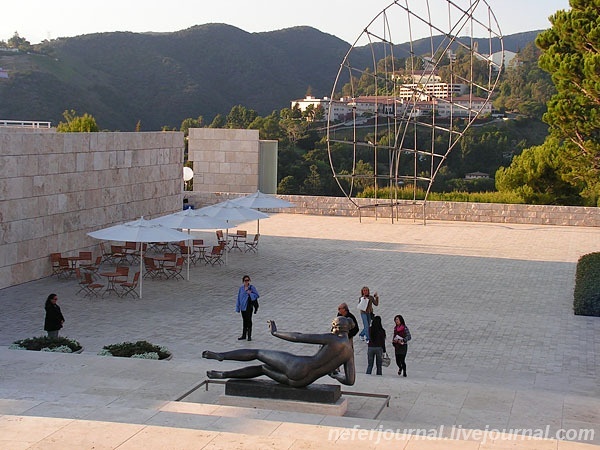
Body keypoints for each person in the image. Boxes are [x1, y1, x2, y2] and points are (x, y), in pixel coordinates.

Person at [203, 317, 356, 387]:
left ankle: (221, 356)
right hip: (303, 382)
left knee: (257, 353)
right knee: (262, 369)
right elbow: (350, 381)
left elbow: (298, 337)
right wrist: (336, 376)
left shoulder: (332, 339)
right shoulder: (349, 351)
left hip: (297, 366)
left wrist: (275, 332)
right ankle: (224, 375)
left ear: (335, 327)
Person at [236, 275, 259, 341]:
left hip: (249, 307)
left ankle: (249, 336)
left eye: (248, 280)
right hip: (242, 308)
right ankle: (244, 335)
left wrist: (250, 293)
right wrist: (237, 307)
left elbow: (257, 295)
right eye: (245, 280)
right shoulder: (241, 288)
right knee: (244, 321)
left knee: (249, 321)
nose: (247, 282)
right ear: (243, 281)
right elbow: (238, 298)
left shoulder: (252, 288)